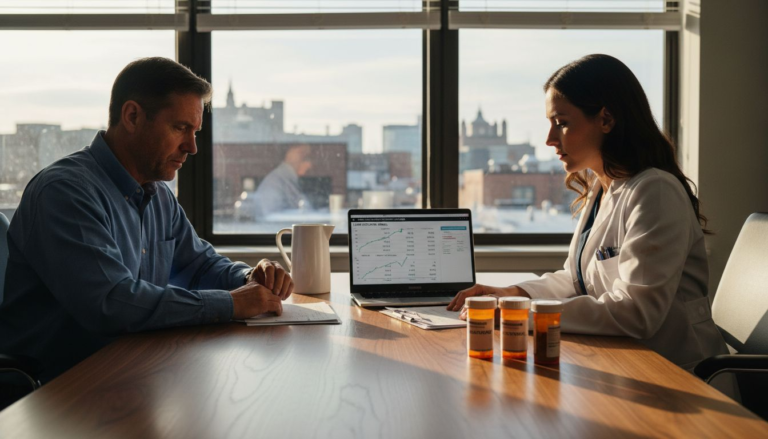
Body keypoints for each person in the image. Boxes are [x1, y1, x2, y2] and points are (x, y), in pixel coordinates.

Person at [0, 57, 293, 383]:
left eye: (195, 132)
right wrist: (231, 303)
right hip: (58, 388)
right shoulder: (65, 192)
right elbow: (111, 303)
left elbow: (199, 265)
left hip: (133, 372)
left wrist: (249, 277)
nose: (192, 147)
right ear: (132, 116)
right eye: (180, 128)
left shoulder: (159, 195)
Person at [448, 54, 729, 373]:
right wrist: (512, 294)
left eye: (562, 123)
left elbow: (637, 313)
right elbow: (575, 280)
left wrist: (522, 314)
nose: (549, 139)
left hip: (678, 374)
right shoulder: (601, 189)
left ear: (606, 119)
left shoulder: (656, 191)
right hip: (624, 362)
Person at [253, 144, 313, 216]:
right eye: (306, 158)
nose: (310, 165)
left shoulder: (288, 180)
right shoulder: (274, 184)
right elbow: (270, 217)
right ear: (290, 155)